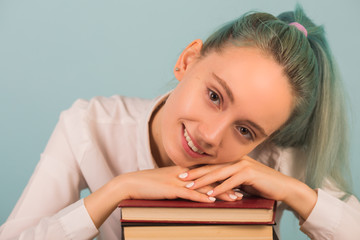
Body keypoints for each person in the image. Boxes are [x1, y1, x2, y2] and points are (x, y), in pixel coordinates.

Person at [1, 5, 359, 240]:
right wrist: (117, 191)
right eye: (215, 96)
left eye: (245, 130)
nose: (209, 136)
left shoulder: (277, 157)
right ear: (188, 61)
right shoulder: (89, 125)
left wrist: (294, 193)